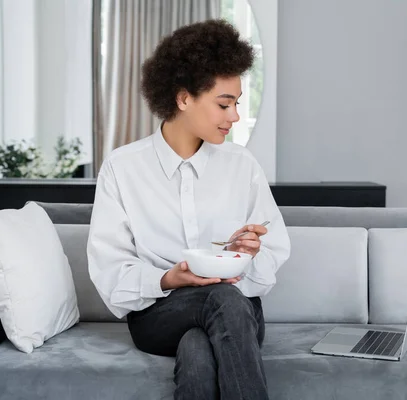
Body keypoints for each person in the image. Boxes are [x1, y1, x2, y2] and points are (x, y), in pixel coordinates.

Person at [87, 19, 291, 400]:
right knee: (222, 303)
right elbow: (110, 270)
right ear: (183, 99)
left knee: (198, 348)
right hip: (159, 313)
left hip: (237, 312)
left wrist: (245, 254)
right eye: (223, 104)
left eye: (236, 104)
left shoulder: (242, 165)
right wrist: (169, 278)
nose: (233, 116)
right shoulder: (123, 167)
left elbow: (272, 255)